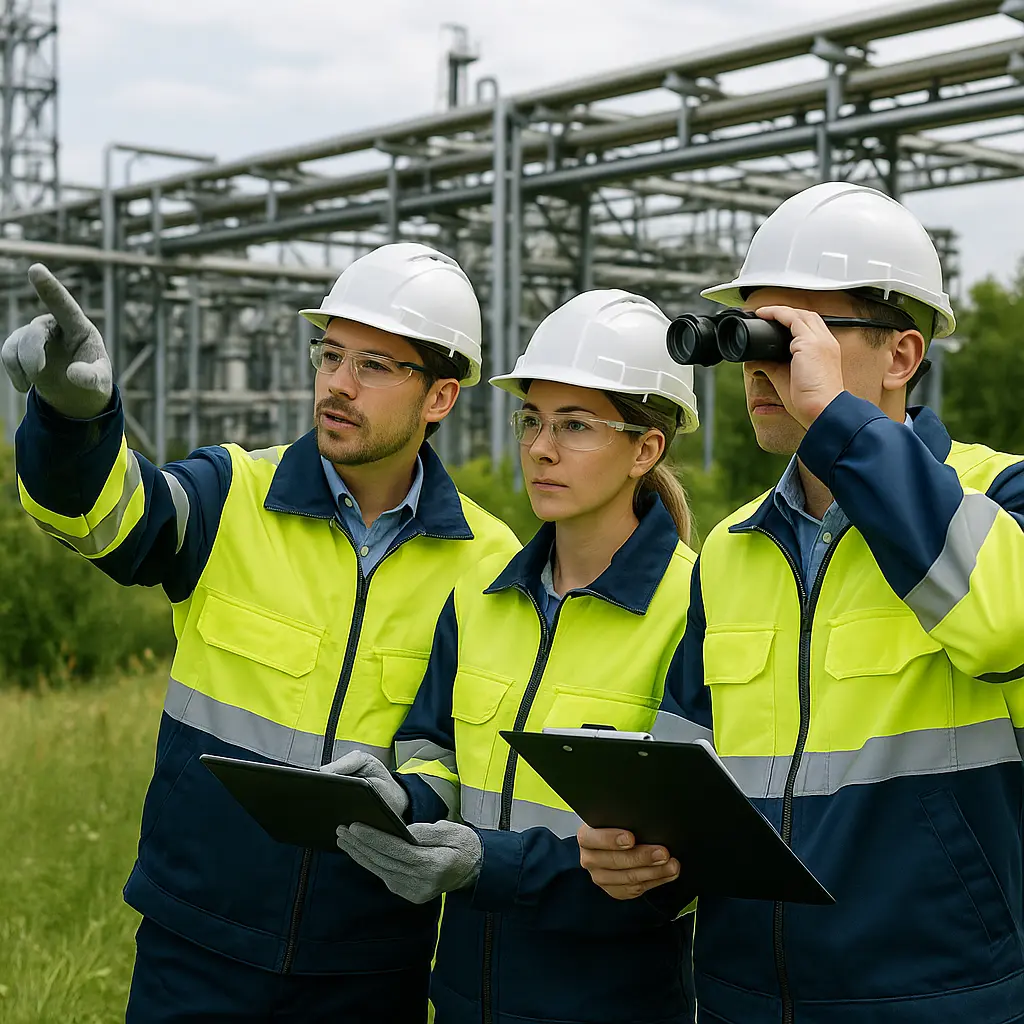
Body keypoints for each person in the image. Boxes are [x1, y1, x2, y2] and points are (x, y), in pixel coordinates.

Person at [1, 242, 520, 1024]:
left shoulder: (488, 563)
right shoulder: (232, 494)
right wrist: (74, 424)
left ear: (440, 396)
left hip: (368, 966)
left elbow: (462, 752)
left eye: (374, 366)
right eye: (331, 355)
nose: (338, 384)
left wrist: (413, 799)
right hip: (195, 947)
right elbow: (102, 519)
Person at [577, 182, 1024, 1024]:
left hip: (936, 999)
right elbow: (687, 772)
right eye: (749, 332)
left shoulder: (999, 496)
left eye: (794, 336)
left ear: (900, 356)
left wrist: (839, 426)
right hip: (743, 998)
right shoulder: (734, 546)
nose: (759, 363)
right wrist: (641, 855)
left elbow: (1006, 628)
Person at [330, 289, 702, 1023]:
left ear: (645, 450)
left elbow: (667, 857)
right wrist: (402, 800)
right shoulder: (478, 597)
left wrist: (487, 863)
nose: (540, 449)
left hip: (610, 1006)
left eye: (575, 425)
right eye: (531, 419)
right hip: (465, 998)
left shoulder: (696, 609)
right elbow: (437, 754)